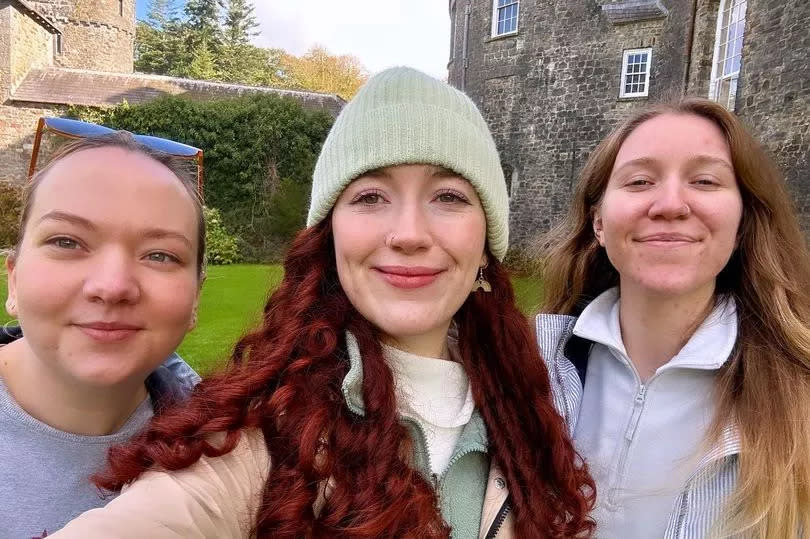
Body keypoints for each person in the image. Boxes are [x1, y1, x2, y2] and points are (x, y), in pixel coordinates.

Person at [52, 67, 596, 538]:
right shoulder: (259, 441)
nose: (408, 232)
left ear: (485, 245)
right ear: (330, 236)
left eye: (449, 197)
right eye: (370, 197)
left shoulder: (526, 417)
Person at [537, 97, 810, 538]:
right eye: (640, 180)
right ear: (599, 222)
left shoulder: (800, 397)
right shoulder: (529, 365)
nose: (670, 204)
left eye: (704, 181)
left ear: (741, 224)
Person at [0, 132, 204, 538]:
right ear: (14, 281)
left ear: (196, 296)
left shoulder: (224, 448)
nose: (112, 286)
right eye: (67, 242)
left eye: (160, 254)